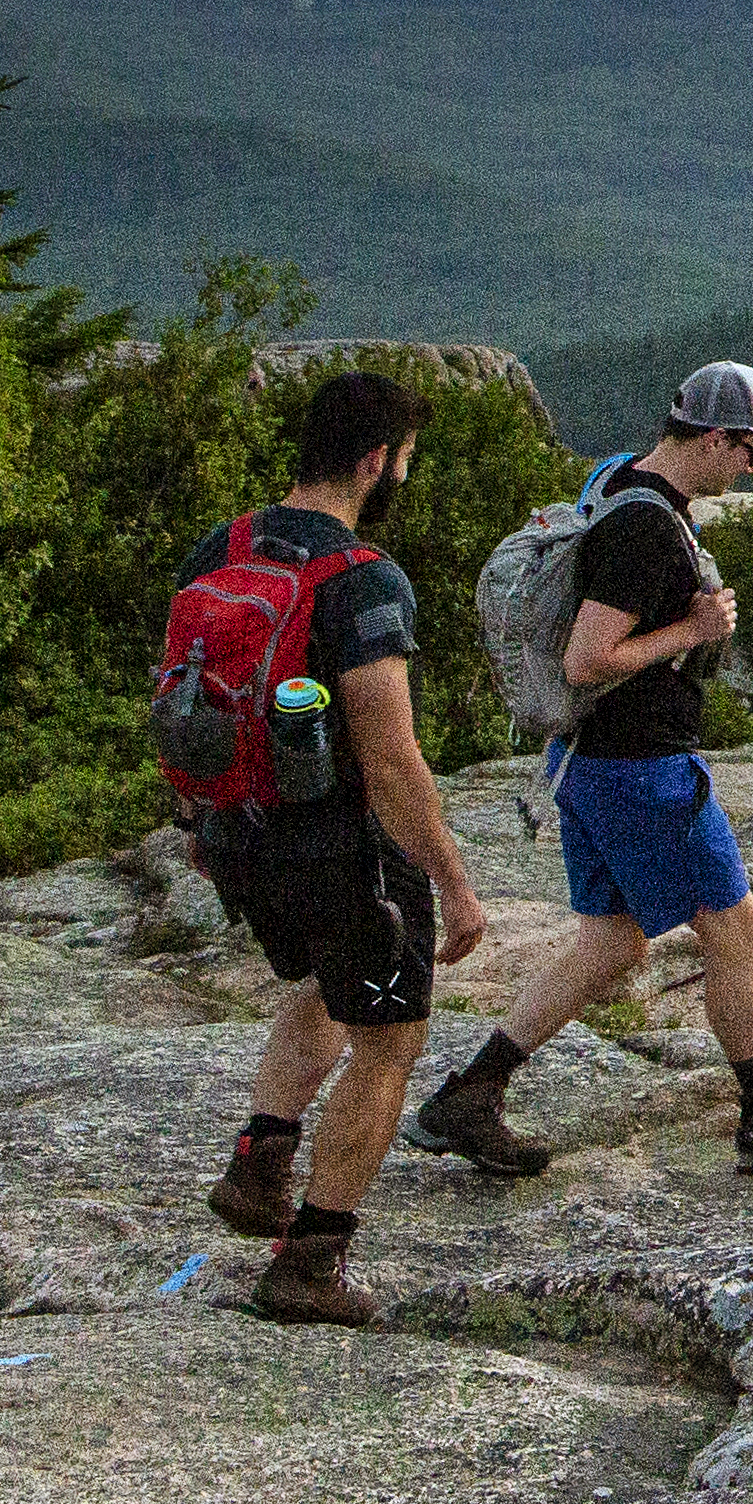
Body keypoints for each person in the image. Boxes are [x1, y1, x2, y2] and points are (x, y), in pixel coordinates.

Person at [409, 359, 753, 1176]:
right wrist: (691, 631)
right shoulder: (646, 531)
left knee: (612, 945)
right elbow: (588, 659)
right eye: (751, 448)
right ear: (713, 438)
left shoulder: (619, 479)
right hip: (639, 767)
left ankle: (469, 1094)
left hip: (587, 763)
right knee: (736, 927)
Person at [189, 367, 490, 1327]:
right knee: (390, 1039)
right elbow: (392, 759)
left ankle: (260, 1164)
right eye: (406, 458)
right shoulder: (361, 580)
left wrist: (202, 821)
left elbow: (191, 693)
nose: (406, 471)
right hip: (339, 847)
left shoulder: (224, 543)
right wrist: (452, 877)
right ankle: (311, 1260)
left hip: (242, 834)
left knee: (324, 980)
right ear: (377, 460)